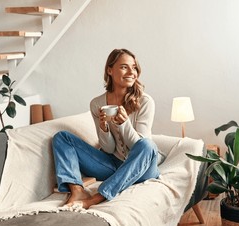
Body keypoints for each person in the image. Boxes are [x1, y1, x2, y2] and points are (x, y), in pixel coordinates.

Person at [52, 48, 160, 209]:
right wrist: (104, 129)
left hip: (141, 168)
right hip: (113, 165)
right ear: (110, 70)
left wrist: (124, 124)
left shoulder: (145, 102)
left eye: (134, 67)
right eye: (124, 67)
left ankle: (96, 198)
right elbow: (109, 149)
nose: (132, 72)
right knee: (62, 138)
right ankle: (77, 189)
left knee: (148, 145)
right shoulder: (97, 103)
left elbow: (138, 145)